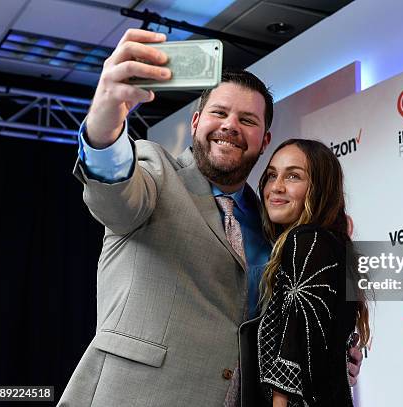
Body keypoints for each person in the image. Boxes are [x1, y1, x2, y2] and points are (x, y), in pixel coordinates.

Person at [59, 29, 362, 407]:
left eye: (248, 120)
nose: (231, 125)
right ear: (196, 121)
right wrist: (105, 124)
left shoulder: (276, 227)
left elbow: (297, 312)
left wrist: (337, 347)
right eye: (220, 113)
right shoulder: (154, 171)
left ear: (264, 140)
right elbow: (114, 194)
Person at [239, 139, 370, 407]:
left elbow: (293, 354)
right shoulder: (332, 244)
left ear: (319, 188)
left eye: (293, 176)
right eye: (272, 175)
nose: (276, 186)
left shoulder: (305, 240)